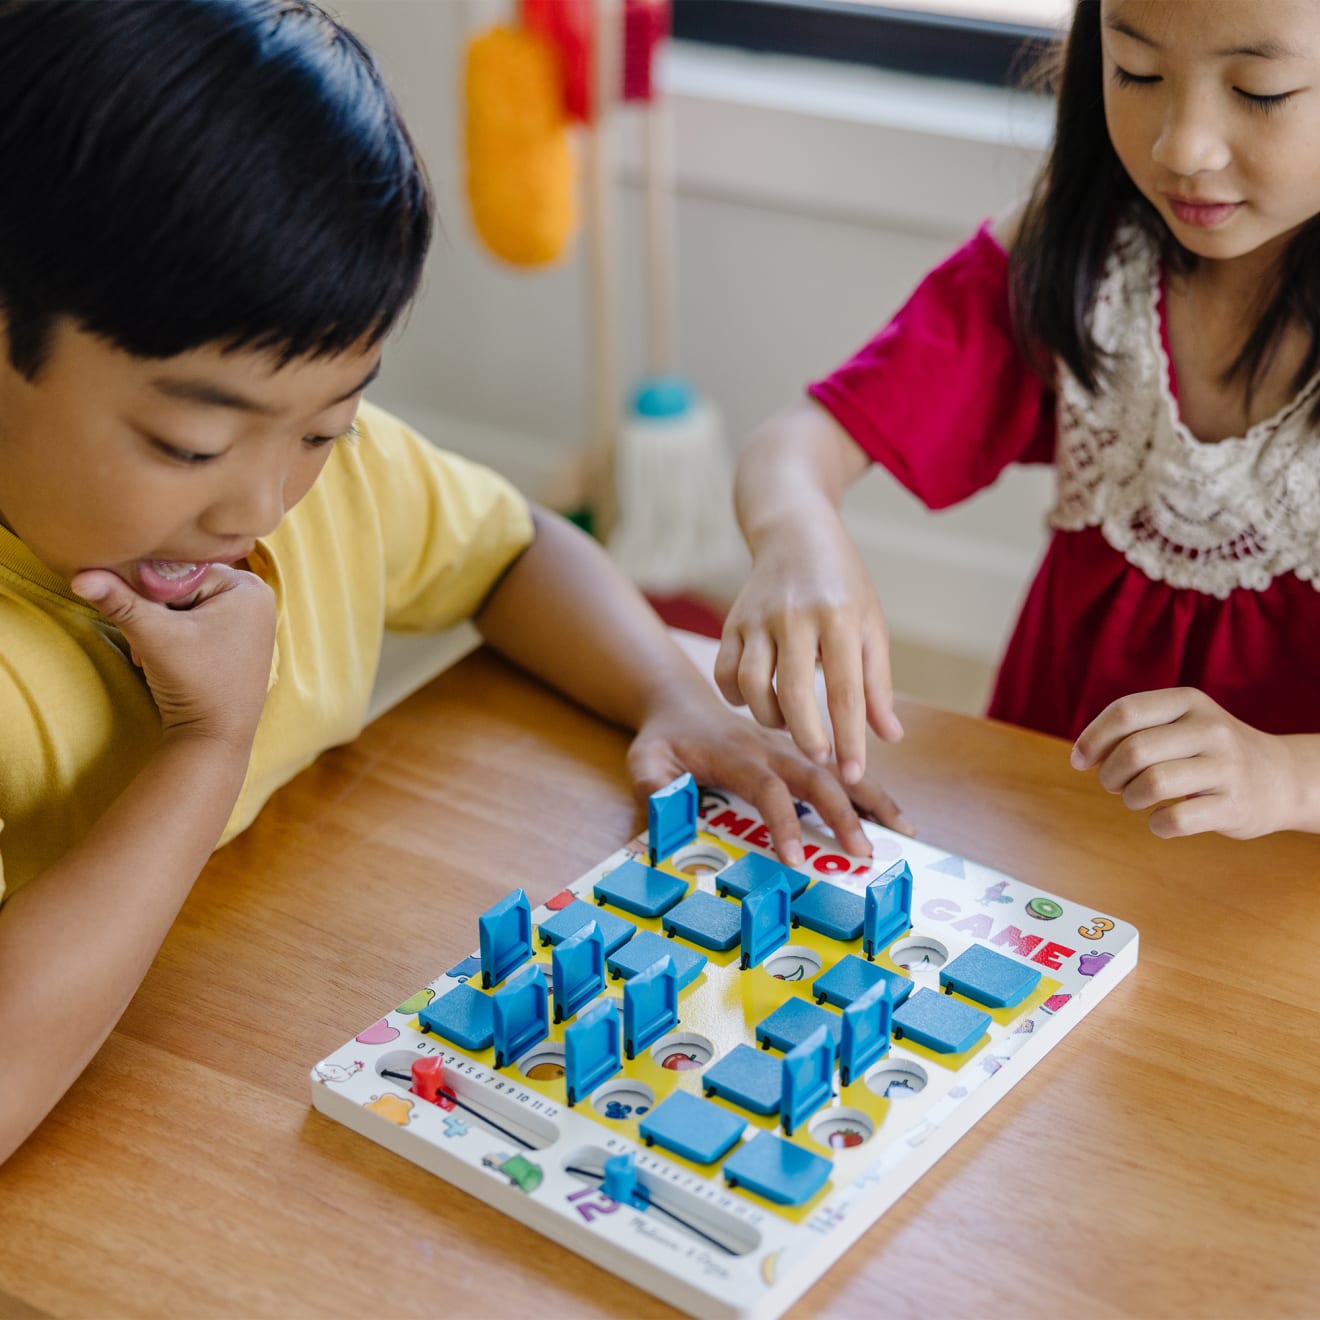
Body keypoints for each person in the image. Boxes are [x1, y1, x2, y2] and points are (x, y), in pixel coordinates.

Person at [0, 0, 903, 1164]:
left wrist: (669, 695)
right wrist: (205, 748)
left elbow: (511, 549)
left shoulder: (339, 485)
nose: (262, 506)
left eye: (326, 425)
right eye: (191, 447)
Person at [717, 0, 1320, 844]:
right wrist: (795, 538)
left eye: (1261, 90)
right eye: (1136, 72)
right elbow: (800, 441)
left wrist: (1290, 778)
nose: (1181, 147)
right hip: (1057, 812)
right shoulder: (1082, 252)